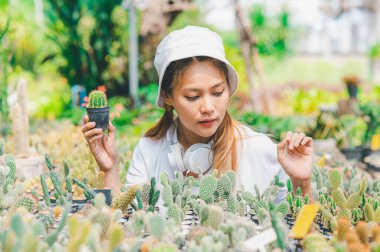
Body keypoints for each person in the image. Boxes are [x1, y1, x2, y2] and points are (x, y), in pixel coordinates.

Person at [81, 26, 314, 203]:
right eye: (193, 96)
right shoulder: (149, 151)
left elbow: (300, 232)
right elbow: (124, 227)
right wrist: (109, 169)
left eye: (217, 92)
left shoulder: (259, 149)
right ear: (168, 97)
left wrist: (302, 183)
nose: (208, 107)